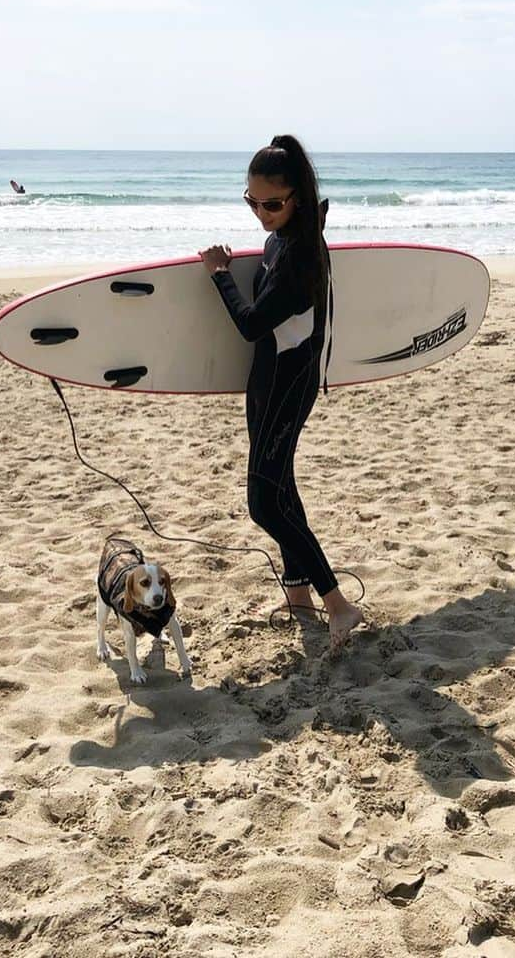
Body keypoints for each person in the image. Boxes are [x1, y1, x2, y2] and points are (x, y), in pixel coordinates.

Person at [199, 135, 364, 651]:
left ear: (297, 197)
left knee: (264, 503)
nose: (261, 214)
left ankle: (338, 605)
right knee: (281, 488)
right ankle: (298, 595)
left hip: (290, 384)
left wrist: (220, 275)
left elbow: (250, 323)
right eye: (252, 202)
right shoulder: (281, 241)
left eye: (272, 204)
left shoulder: (299, 257)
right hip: (266, 378)